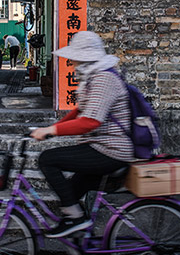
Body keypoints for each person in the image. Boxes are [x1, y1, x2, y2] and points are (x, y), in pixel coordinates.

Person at [31, 31, 134, 238]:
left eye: (74, 58)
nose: (72, 63)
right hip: (98, 146)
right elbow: (80, 112)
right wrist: (52, 128)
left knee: (48, 159)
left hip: (110, 150)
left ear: (85, 57)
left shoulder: (104, 78)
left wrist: (51, 131)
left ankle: (78, 219)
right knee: (71, 193)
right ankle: (80, 234)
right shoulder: (94, 77)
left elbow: (90, 122)